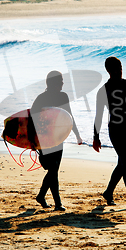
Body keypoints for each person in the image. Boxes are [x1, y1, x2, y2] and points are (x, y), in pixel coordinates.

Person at [93, 57, 126, 210]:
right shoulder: (104, 90)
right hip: (115, 129)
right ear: (108, 70)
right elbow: (99, 115)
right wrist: (96, 137)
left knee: (123, 163)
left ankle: (108, 192)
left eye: (120, 66)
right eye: (116, 68)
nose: (119, 70)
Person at [31, 70, 83, 211]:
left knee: (54, 169)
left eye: (62, 80)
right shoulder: (41, 98)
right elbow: (32, 119)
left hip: (59, 137)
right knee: (52, 169)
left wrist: (77, 135)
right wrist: (33, 141)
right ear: (52, 82)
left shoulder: (63, 96)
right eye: (60, 81)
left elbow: (69, 117)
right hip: (45, 138)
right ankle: (56, 202)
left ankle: (43, 196)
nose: (62, 83)